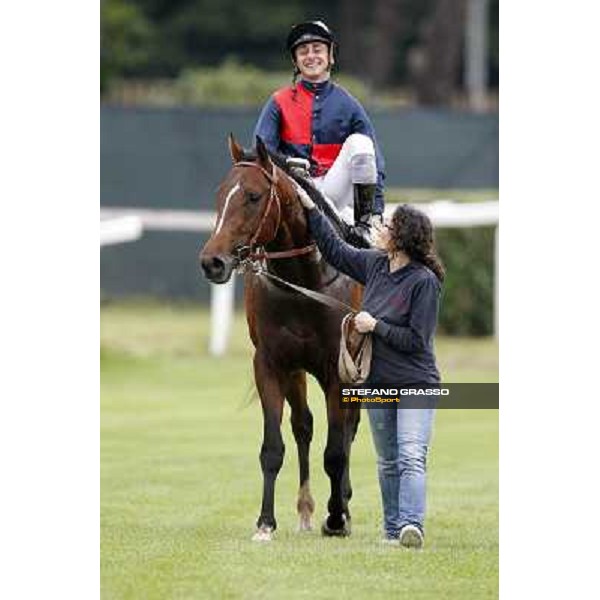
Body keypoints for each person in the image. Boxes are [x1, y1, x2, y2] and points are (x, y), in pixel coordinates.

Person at [295, 183, 444, 549]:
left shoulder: (424, 283)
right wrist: (310, 207)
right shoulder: (374, 265)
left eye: (389, 226)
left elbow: (416, 340)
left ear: (403, 238)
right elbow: (335, 249)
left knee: (411, 456)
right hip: (377, 382)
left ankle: (412, 525)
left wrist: (374, 325)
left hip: (415, 384)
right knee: (388, 462)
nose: (381, 229)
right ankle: (394, 532)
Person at [254, 20, 386, 247]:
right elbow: (262, 154)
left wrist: (377, 209)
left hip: (332, 193)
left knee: (361, 143)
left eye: (318, 49)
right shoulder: (278, 101)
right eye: (303, 51)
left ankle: (366, 225)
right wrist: (287, 166)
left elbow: (375, 160)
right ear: (295, 61)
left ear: (330, 56)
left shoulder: (348, 104)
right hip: (294, 191)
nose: (311, 56)